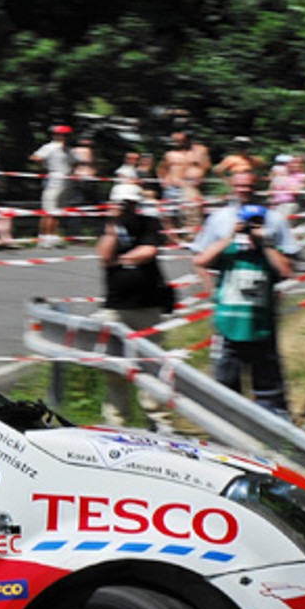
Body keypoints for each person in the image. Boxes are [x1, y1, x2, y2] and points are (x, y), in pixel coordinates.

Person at [189, 170, 297, 415]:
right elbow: (200, 259)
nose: (244, 190)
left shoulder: (275, 221)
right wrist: (211, 292)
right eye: (239, 186)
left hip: (261, 317)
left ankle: (273, 423)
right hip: (229, 316)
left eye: (249, 186)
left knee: (267, 377)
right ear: (231, 187)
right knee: (226, 377)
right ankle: (228, 423)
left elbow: (287, 267)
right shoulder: (219, 219)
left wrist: (265, 241)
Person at [95, 181, 176, 432]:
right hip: (117, 306)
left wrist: (123, 258)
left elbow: (148, 251)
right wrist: (113, 225)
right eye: (122, 204)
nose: (127, 208)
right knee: (114, 367)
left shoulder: (149, 223)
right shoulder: (109, 227)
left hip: (148, 306)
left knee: (152, 364)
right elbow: (104, 257)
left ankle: (158, 421)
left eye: (130, 204)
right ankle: (116, 422)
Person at [30, 125, 73, 247]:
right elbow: (35, 157)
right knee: (49, 210)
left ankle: (53, 235)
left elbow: (75, 162)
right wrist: (43, 165)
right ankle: (44, 237)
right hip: (53, 180)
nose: (63, 137)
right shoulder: (50, 147)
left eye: (66, 135)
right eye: (61, 135)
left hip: (66, 181)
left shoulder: (69, 150)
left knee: (58, 211)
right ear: (55, 135)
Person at [159, 128, 210, 232]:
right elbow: (162, 168)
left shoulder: (200, 150)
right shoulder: (170, 154)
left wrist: (199, 178)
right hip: (172, 187)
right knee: (168, 215)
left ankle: (191, 238)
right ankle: (174, 241)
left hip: (189, 186)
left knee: (192, 214)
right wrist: (163, 180)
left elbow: (205, 166)